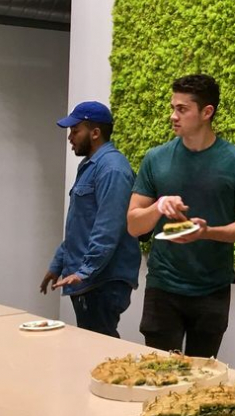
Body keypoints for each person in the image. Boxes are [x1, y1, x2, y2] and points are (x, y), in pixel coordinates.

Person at [127, 74, 235, 358]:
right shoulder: (155, 159)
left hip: (213, 288)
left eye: (182, 109)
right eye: (173, 107)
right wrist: (158, 205)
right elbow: (133, 225)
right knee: (160, 377)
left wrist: (207, 232)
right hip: (163, 286)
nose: (173, 116)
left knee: (202, 379)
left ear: (207, 112)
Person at [41, 101, 141, 337]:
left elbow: (108, 227)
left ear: (95, 133)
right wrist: (58, 264)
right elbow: (80, 226)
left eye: (76, 131)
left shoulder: (112, 169)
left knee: (100, 348)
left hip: (102, 281)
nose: (70, 137)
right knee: (93, 346)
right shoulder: (91, 166)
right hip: (90, 279)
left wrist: (84, 271)